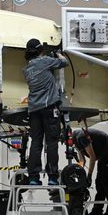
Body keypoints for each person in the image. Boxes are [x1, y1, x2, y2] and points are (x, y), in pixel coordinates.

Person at [24, 38, 68, 186]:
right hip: (49, 108)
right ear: (40, 50)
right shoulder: (45, 61)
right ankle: (52, 177)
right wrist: (57, 53)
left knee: (36, 142)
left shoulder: (27, 69)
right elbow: (64, 62)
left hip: (34, 110)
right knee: (51, 143)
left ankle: (33, 177)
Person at [73, 128, 108, 215]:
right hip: (102, 154)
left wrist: (89, 176)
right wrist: (79, 172)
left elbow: (92, 157)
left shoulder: (81, 137)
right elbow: (82, 160)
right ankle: (97, 210)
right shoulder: (76, 142)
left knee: (106, 180)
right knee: (99, 181)